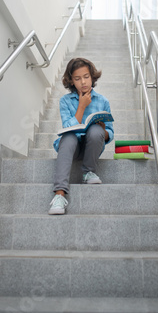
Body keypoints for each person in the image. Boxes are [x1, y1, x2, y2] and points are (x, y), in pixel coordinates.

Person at [49, 57, 114, 215]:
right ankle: (59, 195)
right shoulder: (65, 101)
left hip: (92, 147)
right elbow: (68, 127)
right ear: (71, 81)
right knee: (69, 136)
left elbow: (110, 134)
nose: (83, 82)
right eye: (77, 79)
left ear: (92, 77)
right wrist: (82, 106)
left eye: (86, 77)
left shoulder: (102, 101)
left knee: (96, 131)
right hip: (72, 148)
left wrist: (103, 130)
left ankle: (88, 172)